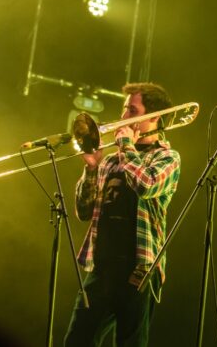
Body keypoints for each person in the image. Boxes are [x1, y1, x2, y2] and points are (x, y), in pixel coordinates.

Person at [64, 83, 181, 347]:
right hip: (102, 267)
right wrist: (92, 170)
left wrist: (126, 145)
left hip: (138, 269)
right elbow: (84, 211)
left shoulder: (167, 157)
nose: (124, 116)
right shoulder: (110, 161)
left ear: (153, 116)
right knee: (76, 340)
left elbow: (146, 184)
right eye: (124, 109)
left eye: (132, 110)